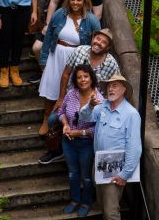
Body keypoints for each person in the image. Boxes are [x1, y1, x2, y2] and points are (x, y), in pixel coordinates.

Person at [38, 28, 120, 164]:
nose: (99, 43)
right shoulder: (80, 50)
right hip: (72, 99)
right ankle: (57, 150)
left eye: (104, 42)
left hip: (94, 106)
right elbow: (65, 74)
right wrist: (60, 98)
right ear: (93, 38)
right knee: (53, 119)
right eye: (98, 39)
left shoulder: (111, 63)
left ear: (108, 47)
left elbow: (116, 87)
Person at [38, 0, 100, 136]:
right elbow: (49, 36)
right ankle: (46, 118)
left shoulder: (91, 19)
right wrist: (44, 57)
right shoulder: (60, 14)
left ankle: (65, 122)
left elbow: (98, 39)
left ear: (84, 1)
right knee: (51, 86)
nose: (75, 2)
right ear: (68, 0)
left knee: (72, 89)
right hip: (57, 54)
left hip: (77, 58)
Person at [80, 74, 141, 220]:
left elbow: (135, 147)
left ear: (124, 89)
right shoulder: (102, 106)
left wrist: (125, 174)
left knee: (111, 212)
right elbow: (83, 117)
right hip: (99, 163)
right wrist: (90, 106)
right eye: (108, 86)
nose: (110, 89)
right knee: (101, 202)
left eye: (115, 85)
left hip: (116, 169)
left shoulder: (131, 114)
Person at [57, 65, 103, 217]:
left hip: (86, 144)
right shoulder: (71, 94)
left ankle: (86, 202)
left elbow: (99, 128)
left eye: (86, 76)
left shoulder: (99, 100)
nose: (82, 80)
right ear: (75, 80)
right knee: (72, 173)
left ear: (91, 78)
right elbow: (61, 112)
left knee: (86, 176)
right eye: (79, 77)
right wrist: (65, 125)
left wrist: (79, 132)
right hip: (68, 141)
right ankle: (75, 200)